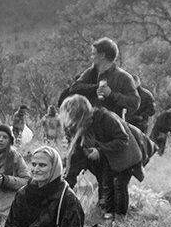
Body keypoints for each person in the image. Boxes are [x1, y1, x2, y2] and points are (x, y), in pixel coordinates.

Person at [57, 37, 139, 195]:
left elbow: (134, 103)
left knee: (106, 175)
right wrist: (95, 88)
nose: (91, 56)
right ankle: (60, 202)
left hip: (110, 132)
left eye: (93, 53)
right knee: (73, 166)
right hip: (85, 129)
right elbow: (74, 88)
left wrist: (112, 95)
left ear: (102, 55)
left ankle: (105, 208)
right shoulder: (90, 73)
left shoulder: (123, 77)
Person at [59, 94, 147, 220]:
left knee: (118, 184)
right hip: (105, 157)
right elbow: (75, 160)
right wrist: (63, 187)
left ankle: (119, 218)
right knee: (104, 182)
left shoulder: (106, 118)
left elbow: (123, 139)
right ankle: (105, 212)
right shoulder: (77, 126)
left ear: (80, 113)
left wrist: (100, 151)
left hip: (125, 156)